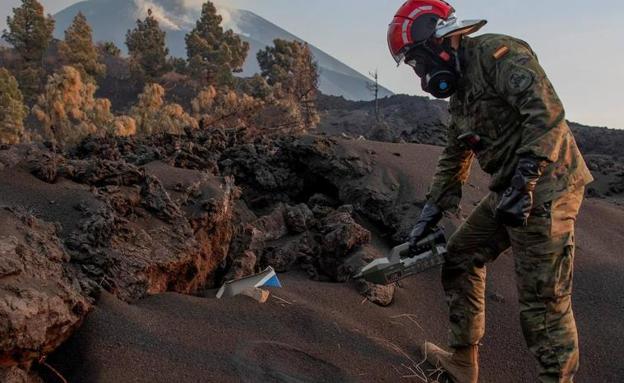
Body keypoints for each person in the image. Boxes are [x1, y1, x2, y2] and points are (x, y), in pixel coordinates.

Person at [387, 1, 594, 382]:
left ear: (439, 39)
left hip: (548, 185)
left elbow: (546, 113)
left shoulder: (500, 54)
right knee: (461, 257)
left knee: (543, 302)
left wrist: (526, 179)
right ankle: (462, 363)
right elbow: (455, 154)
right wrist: (430, 213)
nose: (421, 74)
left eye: (418, 61)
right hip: (510, 189)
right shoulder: (461, 92)